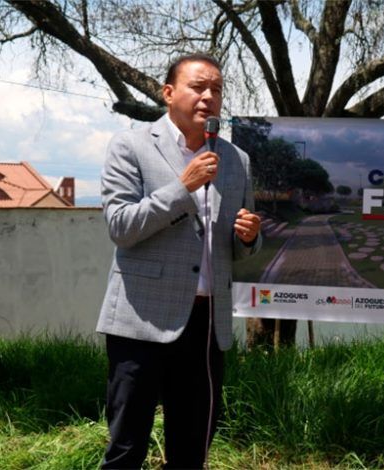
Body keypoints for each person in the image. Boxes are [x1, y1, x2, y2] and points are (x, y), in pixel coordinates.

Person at [96, 53, 261, 469]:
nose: (209, 97)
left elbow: (238, 247)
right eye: (198, 87)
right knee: (126, 448)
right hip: (141, 318)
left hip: (206, 324)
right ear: (168, 93)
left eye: (217, 89)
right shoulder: (130, 146)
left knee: (191, 451)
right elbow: (121, 226)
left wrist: (249, 237)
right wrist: (182, 188)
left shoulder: (236, 160)